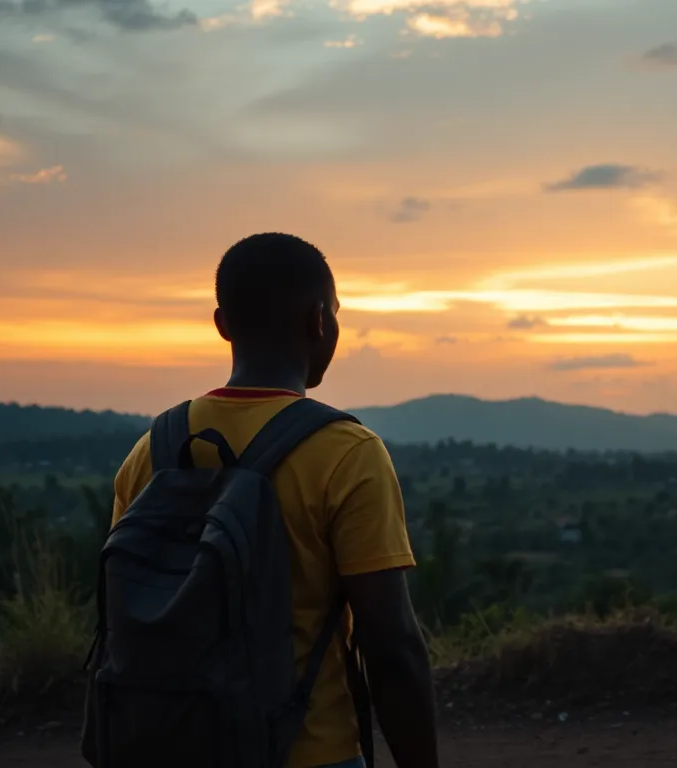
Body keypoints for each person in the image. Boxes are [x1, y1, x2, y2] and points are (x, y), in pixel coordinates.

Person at [108, 233, 438, 768]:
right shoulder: (346, 452)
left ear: (222, 324)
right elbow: (391, 645)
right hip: (308, 751)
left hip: (169, 745)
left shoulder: (152, 452)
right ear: (319, 321)